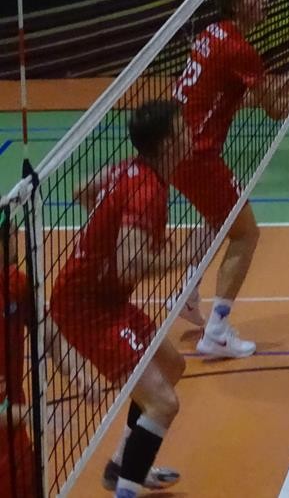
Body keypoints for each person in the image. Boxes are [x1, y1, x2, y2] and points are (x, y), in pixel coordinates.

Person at [49, 100, 190, 496]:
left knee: (171, 364)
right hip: (86, 309)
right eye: (183, 129)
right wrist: (185, 256)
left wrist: (104, 232)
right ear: (167, 144)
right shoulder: (146, 191)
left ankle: (122, 466)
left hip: (105, 298)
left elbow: (82, 190)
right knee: (163, 403)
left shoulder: (130, 170)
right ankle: (126, 489)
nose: (191, 133)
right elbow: (131, 266)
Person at [171, 0, 289, 357]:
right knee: (246, 234)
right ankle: (216, 332)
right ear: (235, 3)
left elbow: (220, 96)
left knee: (219, 218)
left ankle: (187, 293)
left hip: (173, 147)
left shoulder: (211, 34)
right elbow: (274, 111)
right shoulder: (241, 51)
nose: (264, 1)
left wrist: (268, 91)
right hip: (197, 156)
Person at [0, 213, 35, 498]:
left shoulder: (14, 282)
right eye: (12, 234)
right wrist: (32, 413)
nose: (17, 239)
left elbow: (46, 329)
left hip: (14, 446)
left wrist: (76, 371)